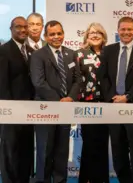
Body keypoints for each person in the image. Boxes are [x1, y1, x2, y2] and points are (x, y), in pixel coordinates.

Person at [99, 16, 133, 183]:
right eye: (123, 29)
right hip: (113, 107)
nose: (126, 32)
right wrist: (113, 98)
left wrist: (127, 97)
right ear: (118, 31)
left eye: (129, 29)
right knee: (118, 151)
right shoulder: (108, 51)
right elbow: (103, 77)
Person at [30, 20, 81, 183]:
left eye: (59, 33)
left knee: (61, 152)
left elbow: (77, 80)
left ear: (64, 34)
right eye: (52, 34)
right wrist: (60, 101)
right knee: (45, 151)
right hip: (46, 110)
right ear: (46, 36)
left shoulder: (71, 54)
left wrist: (70, 98)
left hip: (65, 110)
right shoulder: (38, 55)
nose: (56, 37)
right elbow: (39, 82)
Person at [0, 16, 35, 183]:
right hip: (11, 112)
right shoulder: (3, 50)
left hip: (29, 112)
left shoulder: (31, 51)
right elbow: (2, 83)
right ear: (11, 29)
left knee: (26, 150)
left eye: (25, 27)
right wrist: (8, 111)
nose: (22, 30)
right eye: (18, 27)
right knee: (10, 152)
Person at [76, 23, 109, 183]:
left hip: (107, 104)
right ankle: (86, 179)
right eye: (92, 33)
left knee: (102, 142)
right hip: (86, 104)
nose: (95, 35)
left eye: (98, 33)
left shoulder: (110, 53)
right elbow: (76, 80)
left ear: (103, 36)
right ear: (86, 36)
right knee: (89, 143)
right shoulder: (79, 54)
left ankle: (101, 179)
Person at [26, 12, 47, 183]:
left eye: (38, 24)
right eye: (31, 24)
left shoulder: (50, 45)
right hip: (23, 103)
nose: (34, 27)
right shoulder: (18, 45)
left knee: (43, 145)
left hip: (45, 104)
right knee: (23, 144)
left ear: (42, 26)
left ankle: (41, 178)